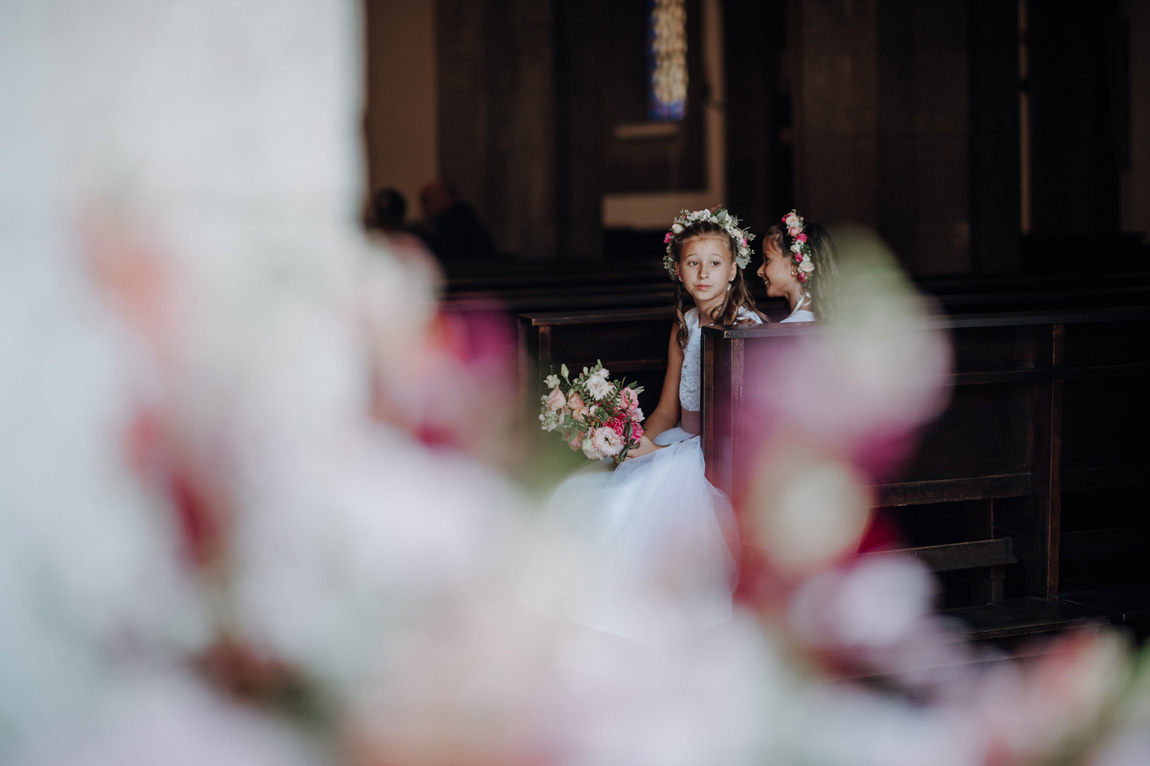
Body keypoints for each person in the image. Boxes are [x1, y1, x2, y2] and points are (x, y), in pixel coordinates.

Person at [515, 207, 762, 645]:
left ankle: (631, 616)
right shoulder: (684, 326)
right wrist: (631, 441)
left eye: (715, 263)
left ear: (733, 268)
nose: (703, 273)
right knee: (579, 491)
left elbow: (743, 427)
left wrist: (664, 456)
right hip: (676, 440)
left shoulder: (744, 328)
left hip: (712, 452)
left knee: (627, 504)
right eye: (693, 263)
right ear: (680, 271)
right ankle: (567, 608)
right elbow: (668, 409)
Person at [756, 209, 840, 322]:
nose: (759, 271)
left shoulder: (788, 328)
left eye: (767, 259)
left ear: (794, 266)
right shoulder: (828, 319)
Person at [416, 179, 497, 262]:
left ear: (443, 197)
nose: (423, 207)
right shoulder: (458, 219)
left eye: (426, 200)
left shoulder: (459, 221)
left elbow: (446, 252)